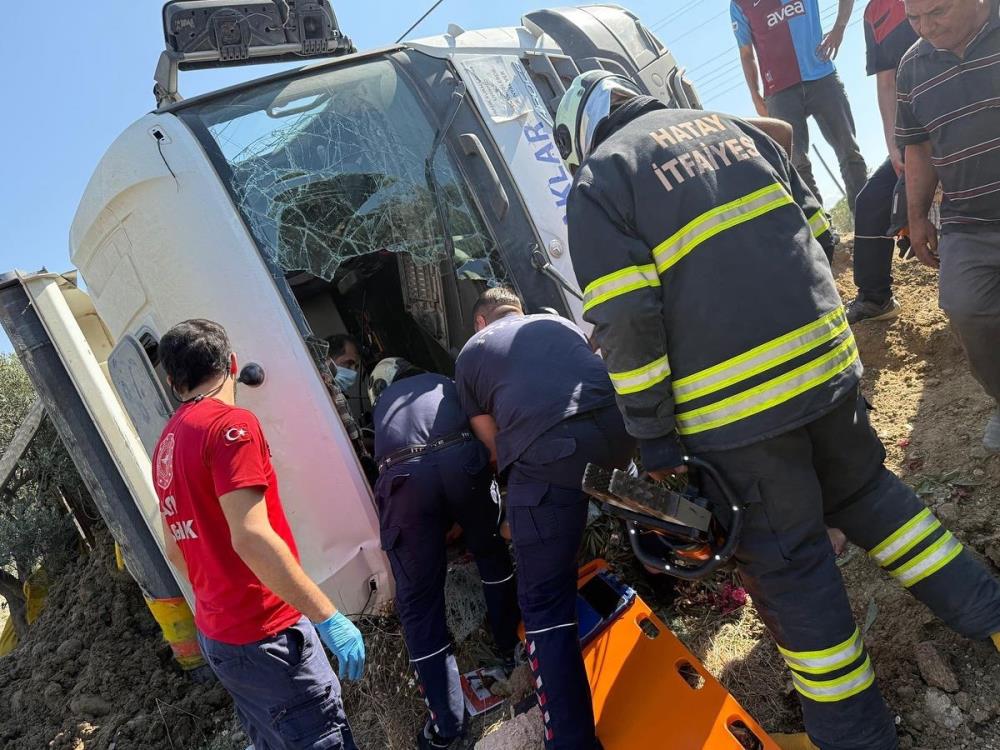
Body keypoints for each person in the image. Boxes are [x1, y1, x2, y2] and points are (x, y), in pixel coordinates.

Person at [556, 69, 1000, 750]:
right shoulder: (736, 131)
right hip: (827, 369)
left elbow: (627, 325)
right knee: (873, 497)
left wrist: (657, 447)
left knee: (791, 567)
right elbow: (819, 234)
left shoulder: (603, 179)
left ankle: (856, 736)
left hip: (739, 417)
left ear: (579, 135)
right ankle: (989, 613)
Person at [153, 319, 366, 750]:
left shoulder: (167, 444)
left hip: (219, 638)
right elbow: (251, 537)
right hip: (266, 634)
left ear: (173, 382)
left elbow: (174, 548)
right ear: (232, 363)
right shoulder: (231, 426)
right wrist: (328, 617)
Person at [453, 288, 636, 750]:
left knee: (543, 605)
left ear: (480, 320)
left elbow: (495, 445)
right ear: (517, 309)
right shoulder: (558, 324)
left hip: (551, 453)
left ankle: (572, 742)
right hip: (619, 434)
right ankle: (681, 566)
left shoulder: (472, 352)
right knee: (643, 511)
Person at [367, 357, 520, 750]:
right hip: (461, 459)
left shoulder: (381, 407)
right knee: (492, 557)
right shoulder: (443, 381)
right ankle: (513, 650)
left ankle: (448, 729)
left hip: (404, 475)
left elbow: (408, 483)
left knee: (419, 605)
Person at [897, 0, 1000, 453]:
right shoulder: (912, 66)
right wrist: (917, 216)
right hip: (968, 220)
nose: (926, 28)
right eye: (914, 19)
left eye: (936, 13)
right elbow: (917, 148)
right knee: (966, 307)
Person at [732, 0, 869, 209]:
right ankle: (824, 236)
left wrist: (839, 28)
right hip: (779, 92)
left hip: (822, 77)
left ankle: (867, 227)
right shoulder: (739, 4)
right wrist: (755, 95)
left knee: (849, 151)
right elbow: (746, 53)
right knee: (797, 166)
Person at [846, 0, 919, 323]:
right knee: (871, 202)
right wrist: (894, 145)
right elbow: (886, 82)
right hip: (913, 135)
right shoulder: (874, 13)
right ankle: (875, 298)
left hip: (965, 118)